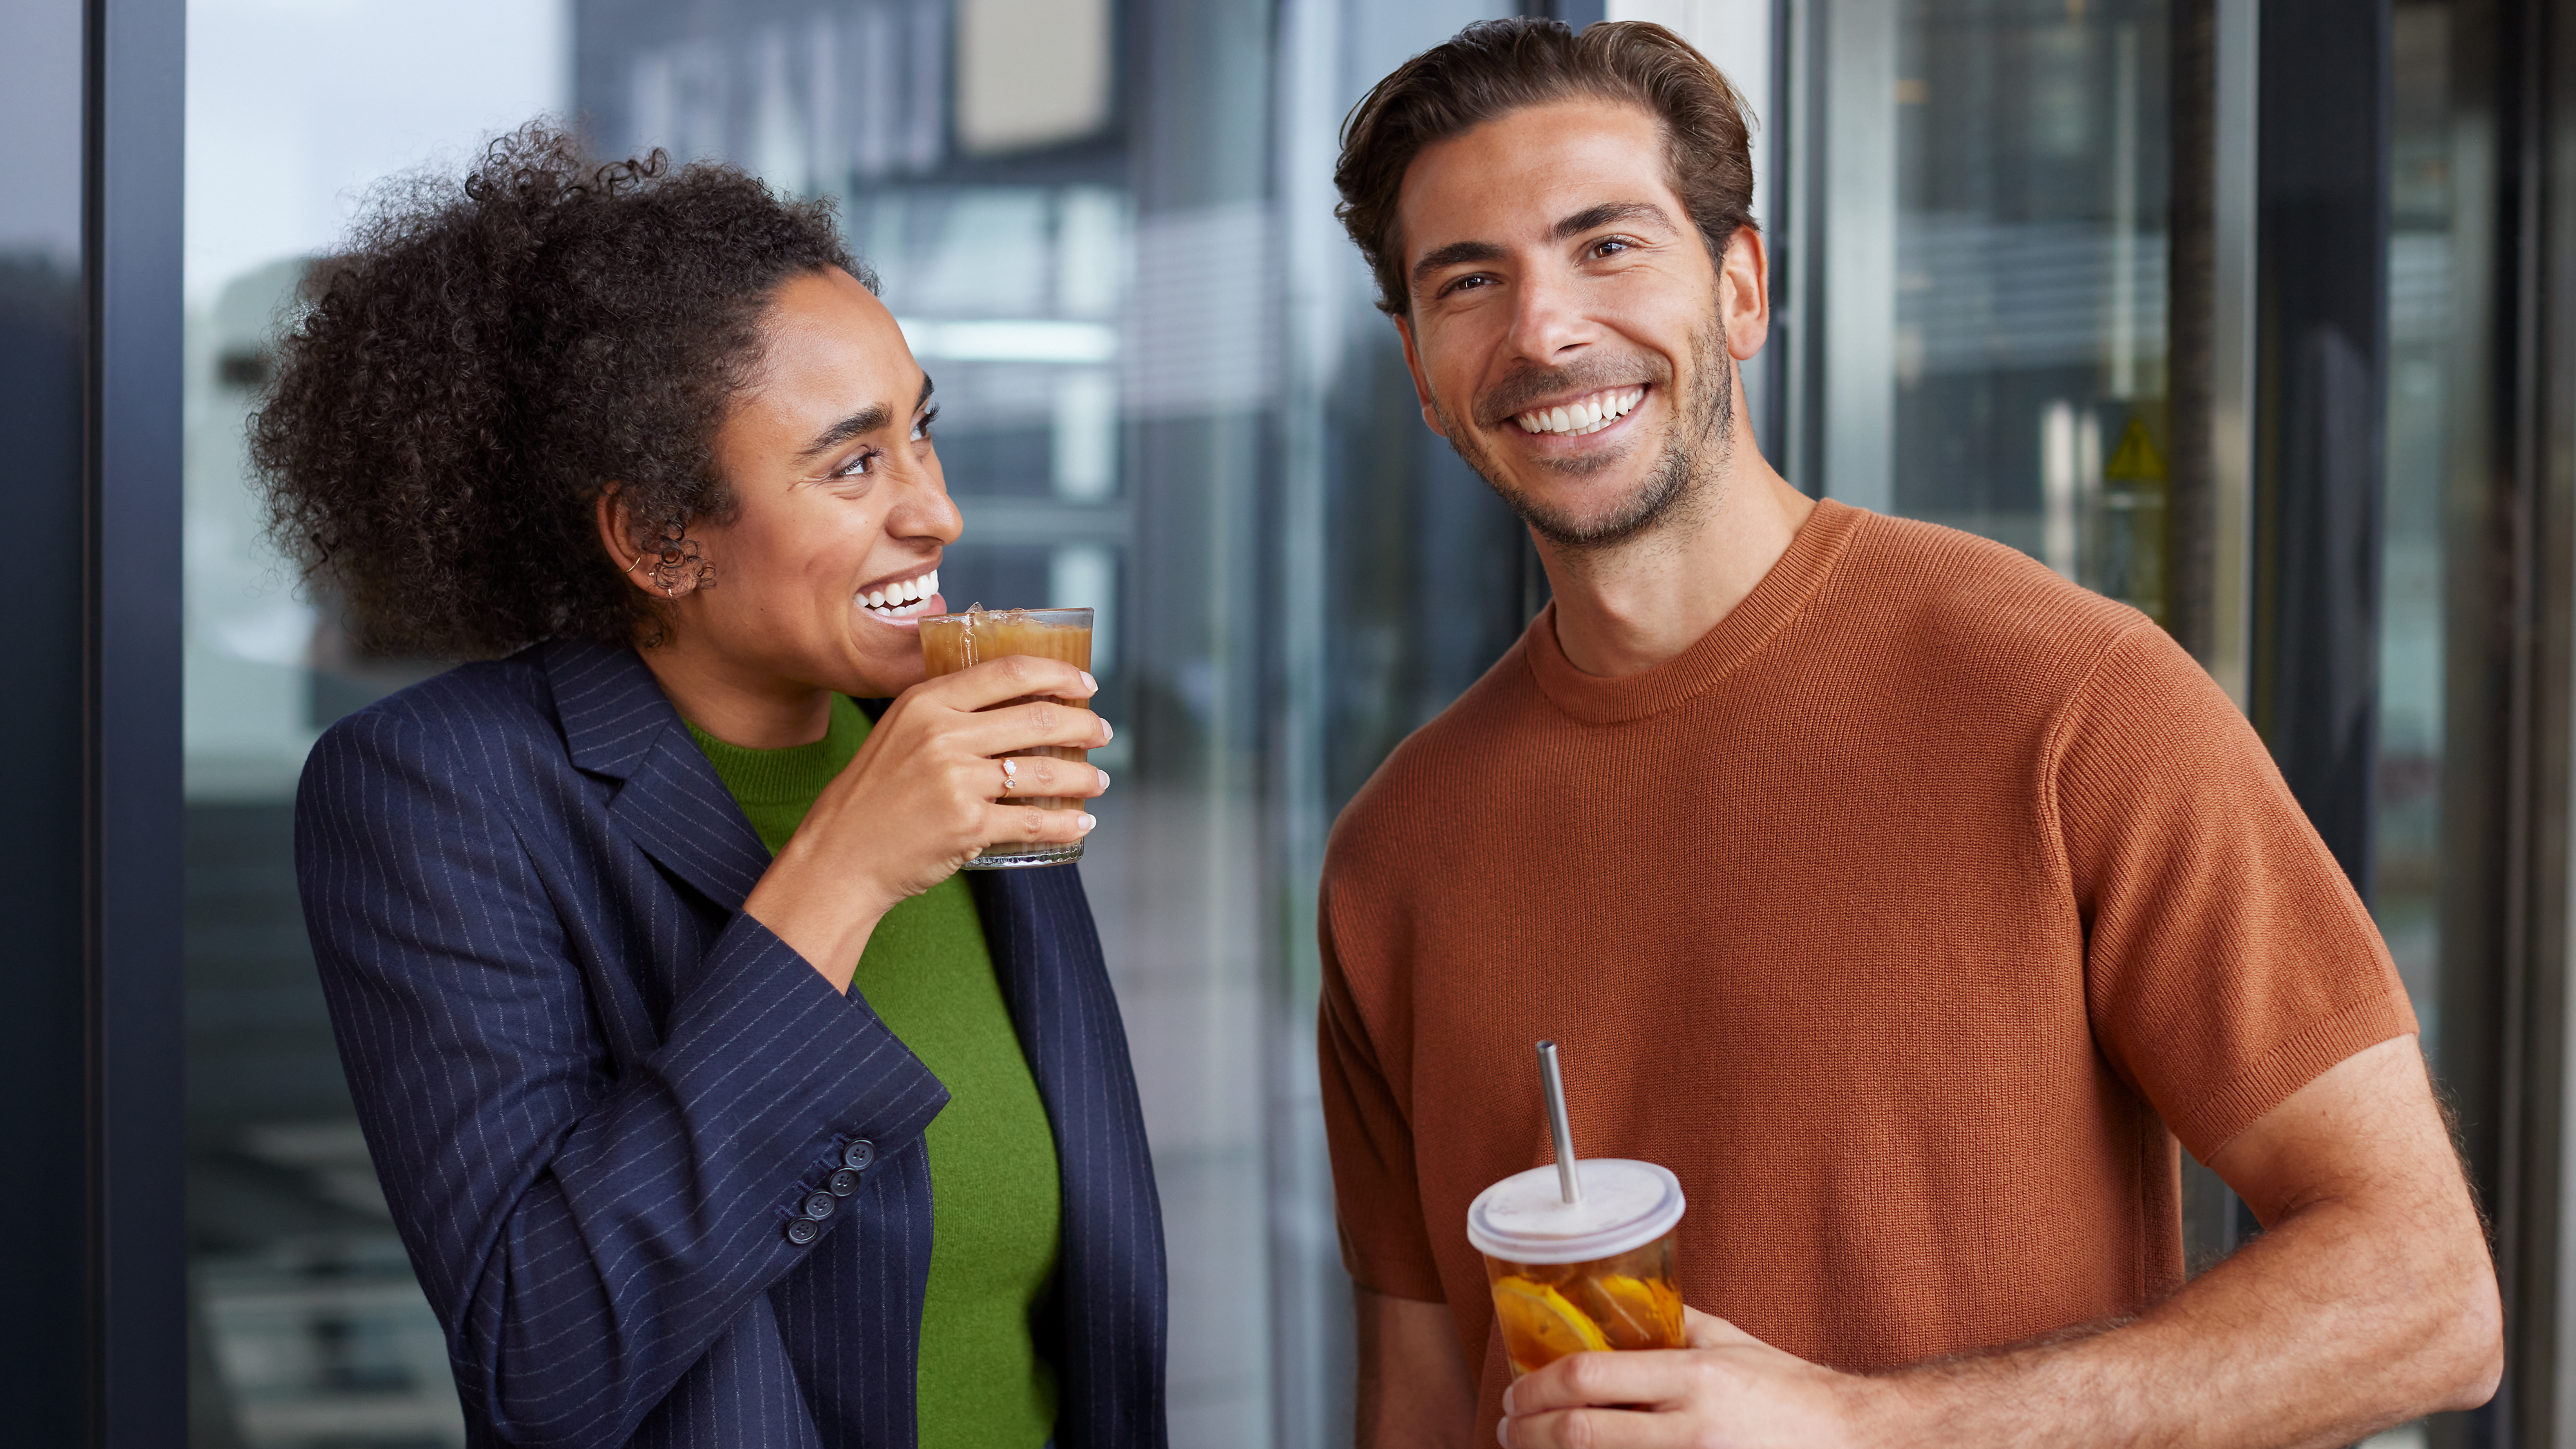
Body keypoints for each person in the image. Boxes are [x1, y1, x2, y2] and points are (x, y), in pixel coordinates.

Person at [1316, 19, 2499, 1448]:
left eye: (1606, 245)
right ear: (1418, 368)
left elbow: (2425, 1296)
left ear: (1739, 287)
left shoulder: (2066, 695)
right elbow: (1424, 1406)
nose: (1543, 329)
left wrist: (1875, 1429)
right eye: (1467, 281)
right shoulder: (1394, 859)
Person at [257, 126, 1166, 1449]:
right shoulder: (439, 792)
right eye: (853, 465)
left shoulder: (951, 730)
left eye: (922, 436)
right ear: (656, 537)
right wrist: (842, 875)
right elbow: (541, 1360)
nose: (936, 513)